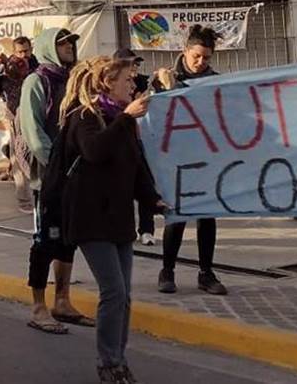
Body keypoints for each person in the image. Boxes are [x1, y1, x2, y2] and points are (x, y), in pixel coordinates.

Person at [60, 56, 164, 384]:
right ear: (107, 83)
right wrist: (124, 119)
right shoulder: (85, 117)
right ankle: (107, 362)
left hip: (118, 220)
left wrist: (153, 199)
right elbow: (93, 150)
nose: (133, 87)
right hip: (91, 219)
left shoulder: (123, 121)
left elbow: (135, 166)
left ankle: (118, 358)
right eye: (127, 81)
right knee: (113, 291)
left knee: (124, 295)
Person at [19, 28, 93, 334]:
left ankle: (62, 300)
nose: (69, 47)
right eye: (63, 43)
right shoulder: (37, 82)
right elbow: (34, 133)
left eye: (72, 42)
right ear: (50, 46)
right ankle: (38, 306)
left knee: (67, 239)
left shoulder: (72, 80)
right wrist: (57, 166)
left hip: (72, 176)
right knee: (44, 241)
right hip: (49, 178)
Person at [157, 25, 228, 296]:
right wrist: (167, 90)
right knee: (176, 216)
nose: (201, 63)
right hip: (174, 160)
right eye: (196, 56)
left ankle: (206, 273)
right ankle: (167, 270)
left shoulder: (215, 83)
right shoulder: (164, 80)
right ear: (184, 51)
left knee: (207, 217)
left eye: (207, 58)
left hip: (205, 159)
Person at [113, 47, 158, 246]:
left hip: (140, 140)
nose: (134, 69)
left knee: (145, 182)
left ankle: (147, 229)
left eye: (136, 64)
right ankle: (125, 228)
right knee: (123, 187)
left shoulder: (141, 82)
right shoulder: (110, 88)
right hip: (119, 143)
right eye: (129, 64)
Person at [0, 49, 34, 210]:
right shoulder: (5, 76)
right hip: (15, 120)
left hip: (33, 118)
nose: (22, 55)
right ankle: (24, 200)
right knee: (18, 159)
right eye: (19, 51)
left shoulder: (35, 69)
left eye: (25, 51)